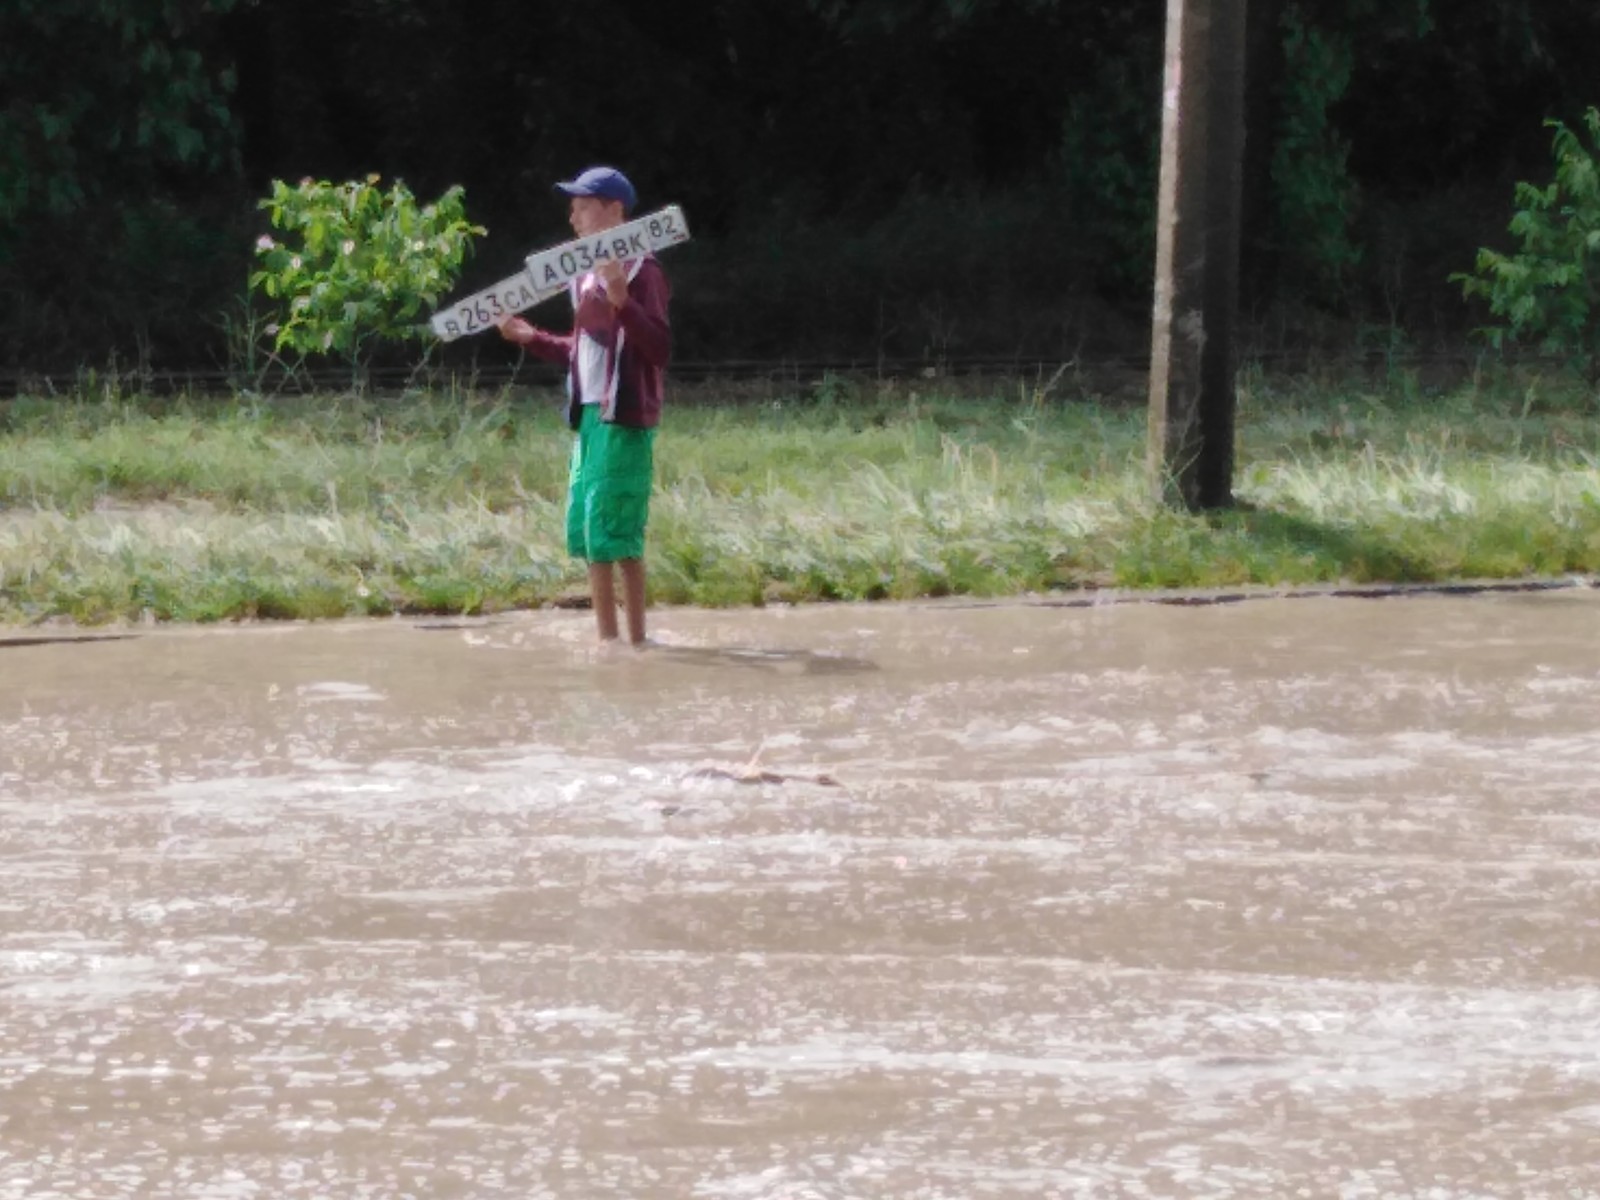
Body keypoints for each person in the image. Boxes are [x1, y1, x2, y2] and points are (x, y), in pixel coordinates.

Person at [497, 166, 672, 649]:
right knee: (591, 532)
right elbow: (583, 350)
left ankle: (635, 643)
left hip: (626, 416)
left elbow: (658, 349)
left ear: (614, 211)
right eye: (572, 207)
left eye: (582, 206)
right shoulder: (582, 276)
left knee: (617, 528)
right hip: (590, 415)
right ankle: (608, 644)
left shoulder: (644, 270)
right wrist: (532, 338)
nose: (573, 217)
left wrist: (622, 299)